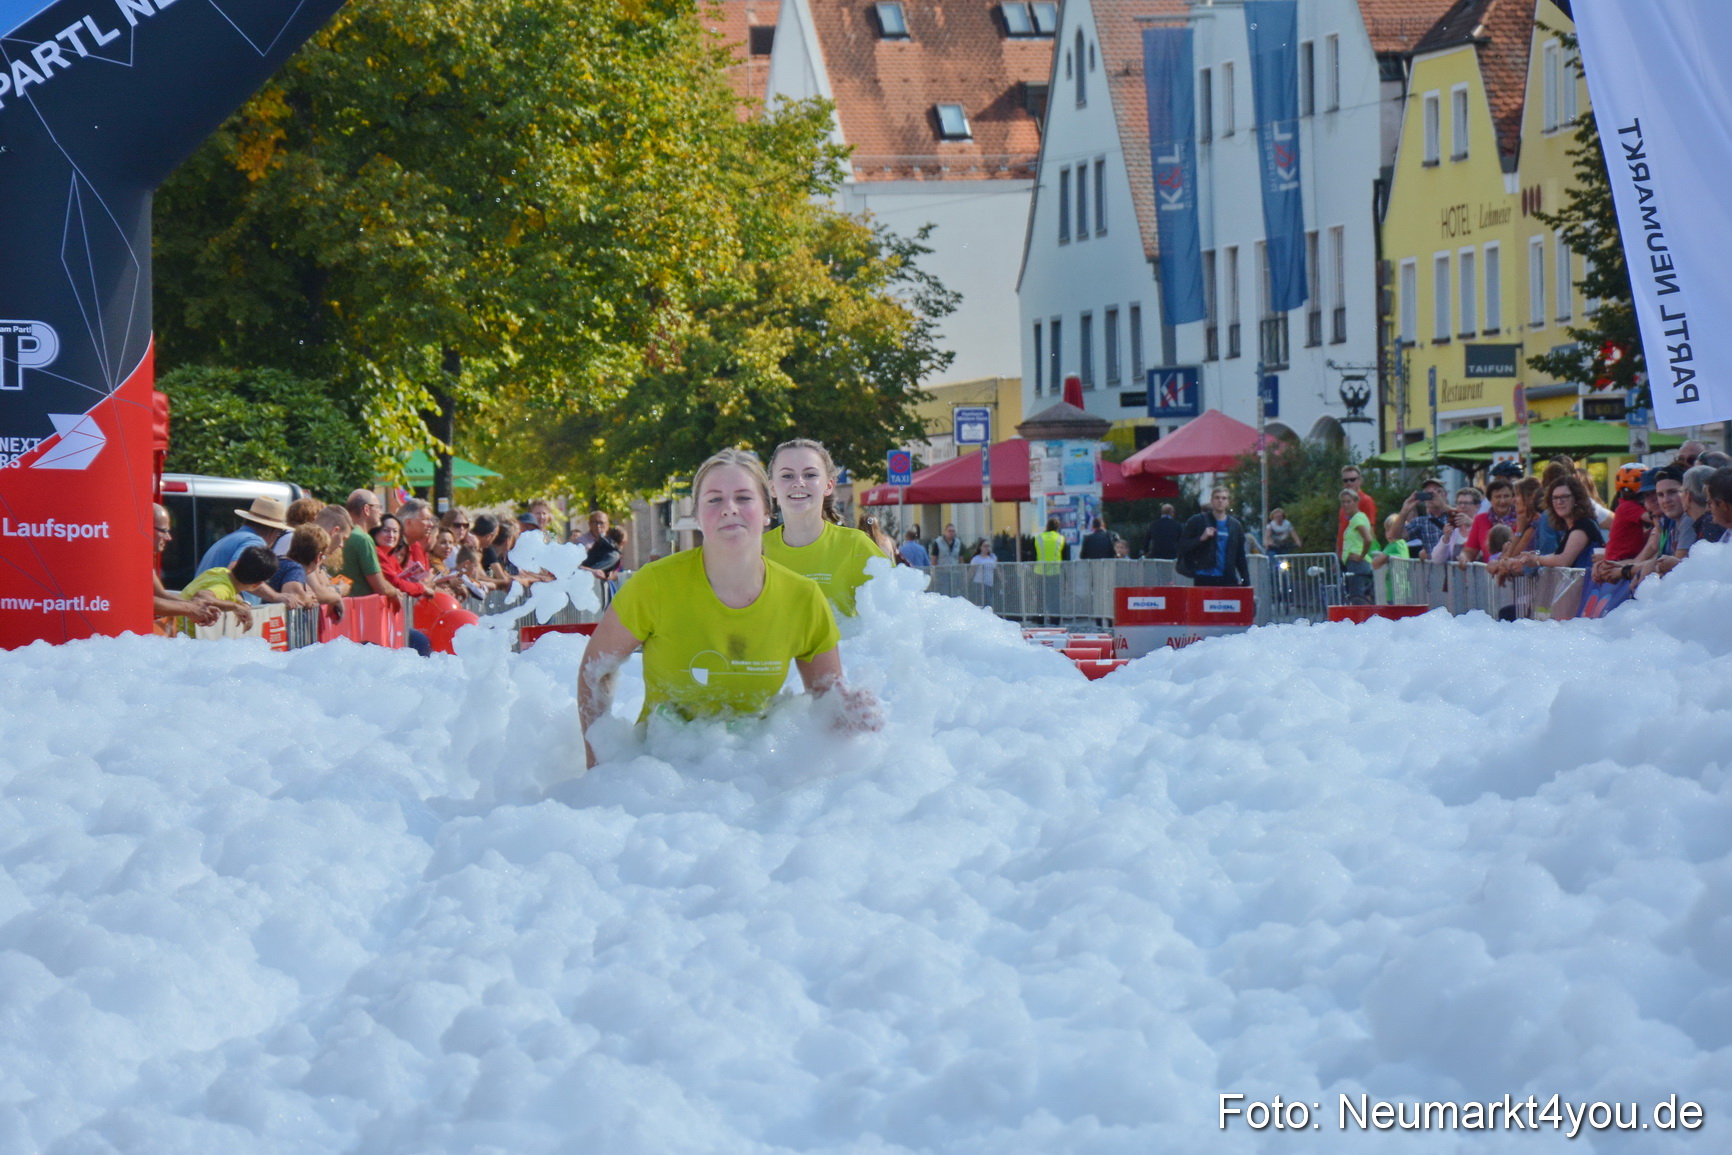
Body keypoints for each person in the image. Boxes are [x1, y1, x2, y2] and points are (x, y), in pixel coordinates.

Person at [577, 448, 877, 768]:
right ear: (697, 515)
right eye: (714, 499)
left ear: (766, 511)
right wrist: (600, 767)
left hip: (752, 775)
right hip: (662, 775)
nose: (729, 508)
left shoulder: (803, 598)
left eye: (744, 498)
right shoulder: (655, 585)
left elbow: (827, 702)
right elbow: (595, 672)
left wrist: (849, 718)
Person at [762, 438, 887, 618]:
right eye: (787, 475)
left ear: (829, 485)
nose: (799, 482)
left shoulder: (855, 546)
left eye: (810, 475)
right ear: (772, 487)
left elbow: (897, 617)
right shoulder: (756, 552)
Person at [151, 504, 220, 627]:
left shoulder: (144, 560)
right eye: (164, 531)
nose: (169, 538)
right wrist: (190, 608)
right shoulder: (130, 559)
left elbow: (160, 595)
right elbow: (143, 602)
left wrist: (199, 607)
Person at [182, 545, 281, 626]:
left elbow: (229, 593)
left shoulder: (220, 571)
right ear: (257, 585)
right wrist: (235, 607)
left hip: (174, 631)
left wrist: (243, 604)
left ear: (237, 563)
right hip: (186, 638)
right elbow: (202, 596)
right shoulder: (225, 589)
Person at [1520, 474, 1603, 569]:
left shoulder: (1583, 525)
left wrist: (1537, 559)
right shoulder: (1571, 526)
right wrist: (1528, 557)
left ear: (1576, 498)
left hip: (1590, 583)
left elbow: (1564, 560)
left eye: (1564, 497)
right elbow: (1556, 555)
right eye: (1555, 498)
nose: (1559, 502)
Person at [197, 496, 292, 574]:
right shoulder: (255, 541)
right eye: (279, 533)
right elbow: (235, 570)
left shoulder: (232, 538)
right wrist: (274, 596)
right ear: (274, 531)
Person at [1178, 487, 1249, 586]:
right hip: (1204, 576)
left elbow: (1240, 554)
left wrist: (1245, 579)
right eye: (1217, 498)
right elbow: (1183, 545)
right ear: (1211, 500)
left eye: (1224, 498)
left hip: (1227, 576)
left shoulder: (1235, 525)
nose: (1220, 501)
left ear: (1228, 502)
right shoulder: (1197, 521)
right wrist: (1201, 538)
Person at [268, 525, 332, 609]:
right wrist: (309, 599)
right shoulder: (295, 569)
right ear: (318, 557)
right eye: (323, 557)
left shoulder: (279, 561)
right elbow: (295, 597)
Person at [1461, 478, 1516, 564]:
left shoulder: (1522, 518)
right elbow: (1470, 551)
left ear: (1513, 498)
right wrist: (1464, 557)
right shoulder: (1481, 519)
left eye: (1506, 496)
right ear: (1490, 499)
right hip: (1490, 575)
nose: (1502, 501)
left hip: (1519, 574)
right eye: (1497, 497)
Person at [1338, 489, 1376, 601]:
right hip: (1357, 564)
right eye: (1343, 502)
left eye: (1348, 502)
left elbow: (1368, 539)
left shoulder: (1357, 519)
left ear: (1356, 502)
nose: (1345, 505)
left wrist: (1361, 556)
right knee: (1360, 596)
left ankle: (1361, 619)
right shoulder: (1358, 518)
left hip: (1357, 563)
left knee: (1357, 598)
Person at [1369, 512, 1411, 603]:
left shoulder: (1394, 545)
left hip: (1395, 591)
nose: (1389, 533)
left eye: (1392, 530)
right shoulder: (1403, 544)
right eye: (1387, 530)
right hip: (1404, 590)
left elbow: (1375, 564)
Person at [1335, 465, 1376, 555]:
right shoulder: (1345, 502)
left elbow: (1370, 530)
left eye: (1352, 479)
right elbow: (1341, 529)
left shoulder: (1366, 500)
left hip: (1357, 554)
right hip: (1345, 554)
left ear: (1360, 481)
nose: (1349, 483)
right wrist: (1337, 554)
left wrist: (1363, 555)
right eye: (1345, 480)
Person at [967, 537, 996, 605]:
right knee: (987, 603)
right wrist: (967, 581)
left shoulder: (992, 557)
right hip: (980, 584)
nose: (987, 548)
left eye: (988, 546)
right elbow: (971, 571)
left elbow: (997, 569)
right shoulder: (976, 559)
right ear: (980, 547)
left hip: (990, 583)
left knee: (989, 602)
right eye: (985, 546)